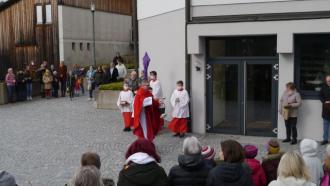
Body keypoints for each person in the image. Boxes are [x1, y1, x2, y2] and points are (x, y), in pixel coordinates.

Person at [320, 75, 330, 145]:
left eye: (329, 81)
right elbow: (320, 95)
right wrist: (324, 101)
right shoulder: (323, 87)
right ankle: (325, 139)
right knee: (325, 124)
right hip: (326, 108)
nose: (328, 82)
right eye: (327, 81)